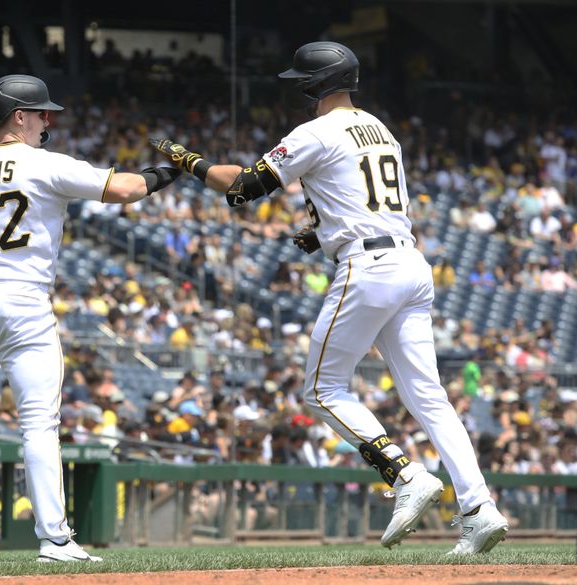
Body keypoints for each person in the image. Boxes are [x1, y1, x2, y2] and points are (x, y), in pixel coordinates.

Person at [151, 41, 508, 555]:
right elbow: (366, 198)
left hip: (368, 268)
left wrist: (188, 160)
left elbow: (243, 189)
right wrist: (321, 234)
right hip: (409, 261)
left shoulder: (315, 131)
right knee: (431, 399)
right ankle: (479, 509)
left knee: (321, 389)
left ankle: (405, 475)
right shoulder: (380, 127)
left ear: (312, 85)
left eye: (301, 80)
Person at [0, 74, 180, 564]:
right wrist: (175, 167)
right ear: (18, 116)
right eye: (41, 112)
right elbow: (130, 189)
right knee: (39, 425)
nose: (48, 120)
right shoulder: (43, 163)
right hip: (23, 300)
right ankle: (55, 540)